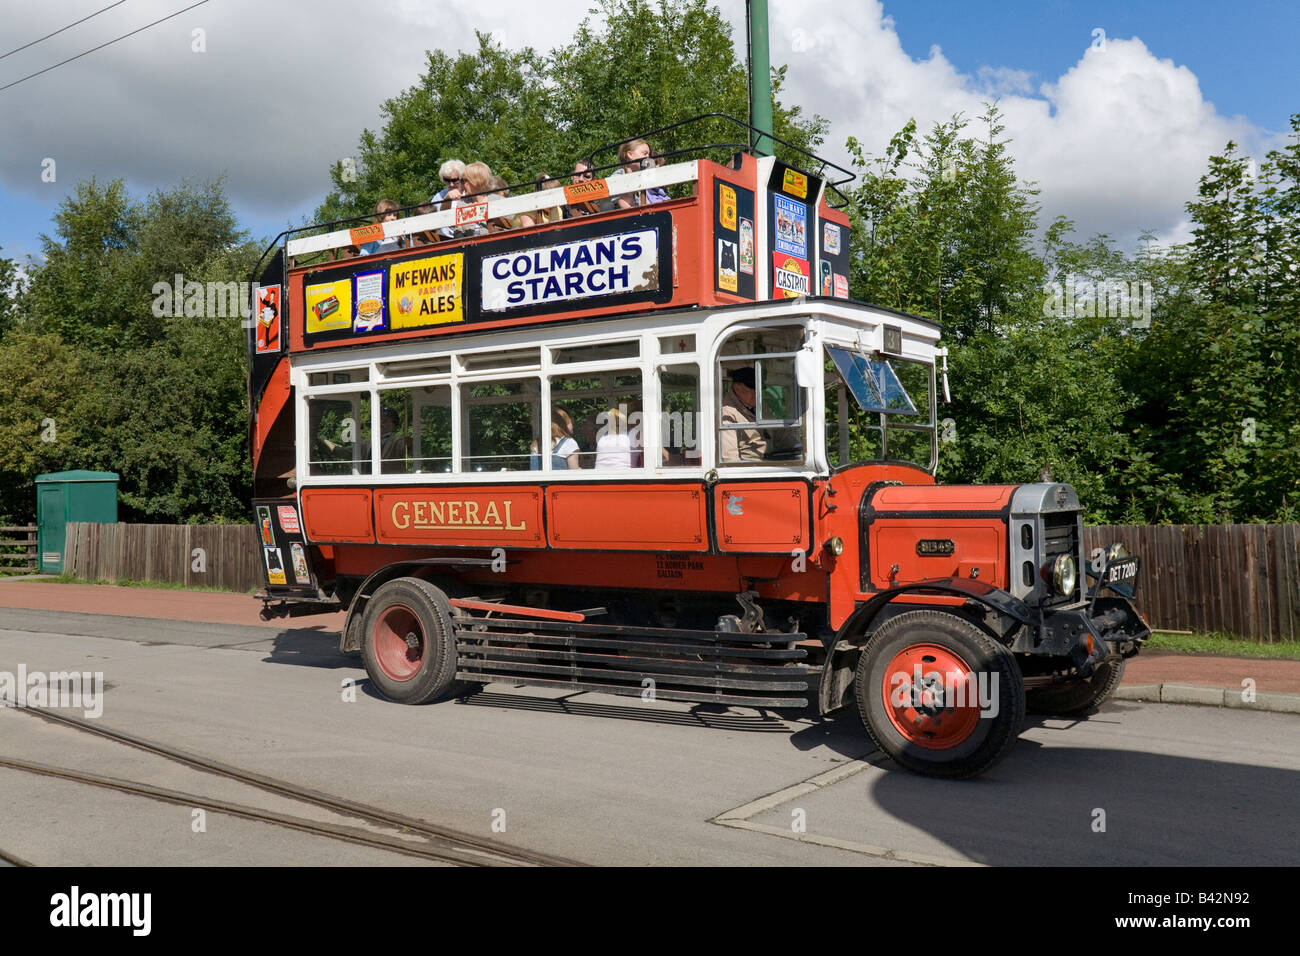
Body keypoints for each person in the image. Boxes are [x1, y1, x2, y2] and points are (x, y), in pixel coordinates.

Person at [718, 366, 767, 462]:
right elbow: (730, 457)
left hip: (772, 460)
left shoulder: (761, 406)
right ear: (737, 388)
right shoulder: (727, 413)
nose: (757, 396)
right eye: (753, 392)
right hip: (749, 467)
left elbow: (780, 434)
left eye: (759, 391)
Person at [429, 160, 465, 238]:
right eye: (447, 180)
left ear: (461, 178)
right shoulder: (439, 196)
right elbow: (434, 219)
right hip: (447, 238)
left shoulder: (469, 192)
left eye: (454, 180)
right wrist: (447, 199)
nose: (451, 184)